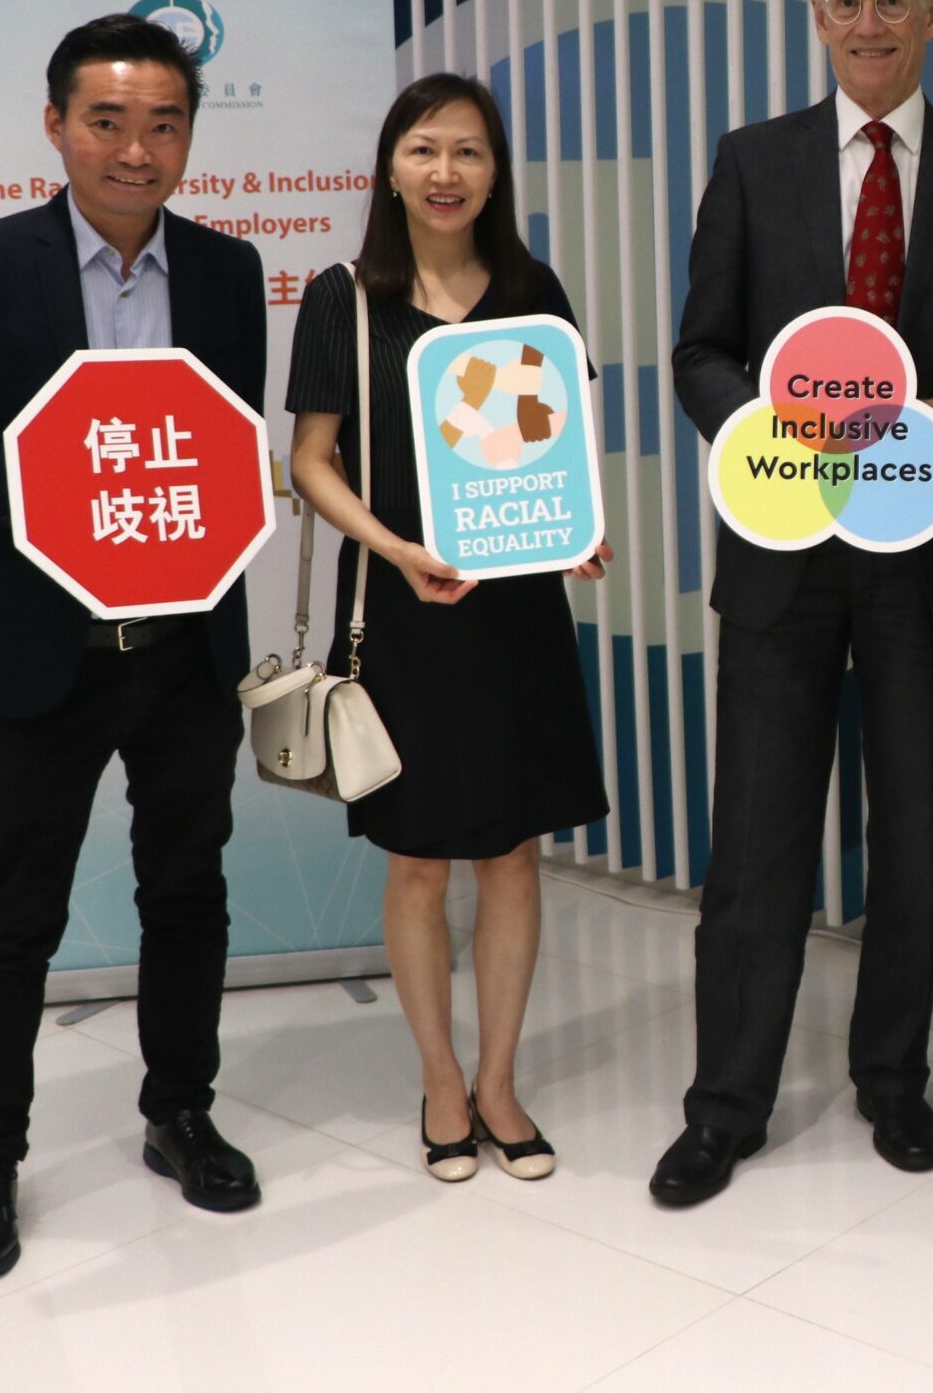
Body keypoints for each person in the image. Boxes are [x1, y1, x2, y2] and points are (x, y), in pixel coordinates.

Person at [657, 0, 933, 1205]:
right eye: (848, 6)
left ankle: (893, 1082)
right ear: (818, 20)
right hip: (782, 561)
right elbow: (698, 353)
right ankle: (726, 1105)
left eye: (895, 5)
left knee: (910, 845)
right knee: (758, 848)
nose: (871, 27)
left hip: (926, 564)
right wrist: (774, 434)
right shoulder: (754, 161)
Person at [0, 13, 269, 1282]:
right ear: (56, 127)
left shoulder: (223, 268)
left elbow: (221, 450)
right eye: (108, 121)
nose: (136, 150)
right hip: (40, 649)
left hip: (186, 648)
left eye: (163, 124)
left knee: (188, 891)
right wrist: (46, 482)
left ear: (189, 136)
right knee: (15, 916)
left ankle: (179, 1113)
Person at [286, 74, 612, 1184]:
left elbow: (556, 448)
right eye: (424, 149)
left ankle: (501, 1081)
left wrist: (574, 528)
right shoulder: (345, 295)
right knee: (421, 861)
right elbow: (309, 463)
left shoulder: (532, 290)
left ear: (494, 171)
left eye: (467, 152)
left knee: (513, 854)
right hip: (404, 609)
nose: (445, 172)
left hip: (515, 609)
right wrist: (396, 548)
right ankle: (438, 1078)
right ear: (390, 166)